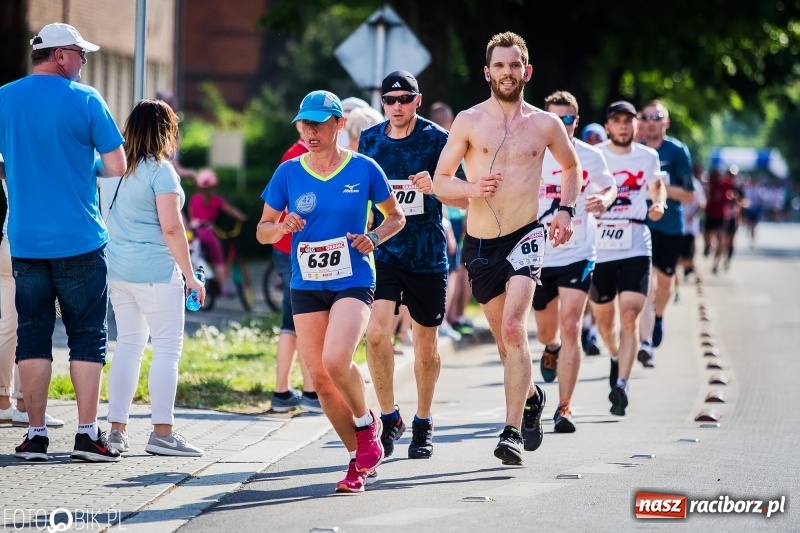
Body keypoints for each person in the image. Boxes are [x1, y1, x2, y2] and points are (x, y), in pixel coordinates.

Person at [433, 32, 581, 465]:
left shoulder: (545, 124)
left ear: (526, 71)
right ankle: (532, 394)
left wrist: (565, 210)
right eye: (500, 66)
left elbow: (571, 167)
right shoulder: (468, 121)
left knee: (516, 330)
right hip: (480, 244)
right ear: (487, 72)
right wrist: (473, 187)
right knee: (504, 343)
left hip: (526, 236)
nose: (507, 72)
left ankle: (511, 431)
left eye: (515, 65)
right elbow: (441, 182)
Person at [257, 90, 405, 492]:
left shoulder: (364, 169)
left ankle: (366, 425)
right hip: (306, 283)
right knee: (320, 379)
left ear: (340, 124)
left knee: (336, 360)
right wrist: (281, 227)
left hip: (353, 279)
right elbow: (262, 230)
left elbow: (396, 217)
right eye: (304, 124)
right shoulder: (289, 172)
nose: (310, 131)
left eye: (319, 123)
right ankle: (359, 458)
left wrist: (373, 237)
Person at [0, 22, 127, 461]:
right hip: (79, 239)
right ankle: (87, 436)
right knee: (87, 336)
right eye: (80, 53)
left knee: (32, 336)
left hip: (26, 241)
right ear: (59, 56)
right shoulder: (86, 99)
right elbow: (117, 165)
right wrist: (82, 163)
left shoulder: (4, 98)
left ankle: (35, 435)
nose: (85, 61)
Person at [360, 71, 469, 460]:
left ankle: (423, 421)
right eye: (390, 100)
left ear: (417, 101)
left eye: (404, 99)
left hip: (427, 256)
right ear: (382, 103)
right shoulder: (369, 140)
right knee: (375, 334)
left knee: (425, 347)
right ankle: (390, 417)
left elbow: (464, 199)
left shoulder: (438, 140)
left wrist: (436, 187)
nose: (397, 106)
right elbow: (360, 198)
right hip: (385, 252)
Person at [101, 99, 206, 457]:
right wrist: (191, 277)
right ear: (167, 131)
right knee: (166, 350)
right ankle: (162, 433)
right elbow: (173, 229)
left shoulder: (113, 169)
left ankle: (117, 431)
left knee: (127, 346)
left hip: (118, 272)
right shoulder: (162, 172)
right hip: (157, 272)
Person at [535, 91, 617, 433]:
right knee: (545, 331)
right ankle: (550, 348)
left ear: (576, 121)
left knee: (571, 326)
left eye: (567, 119)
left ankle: (564, 407)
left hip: (578, 251)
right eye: (555, 119)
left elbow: (610, 186)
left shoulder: (590, 155)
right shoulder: (533, 153)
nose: (562, 125)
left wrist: (604, 198)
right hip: (538, 254)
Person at [591, 101, 666, 417]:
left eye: (628, 121)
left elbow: (657, 187)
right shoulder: (595, 156)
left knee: (631, 314)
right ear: (608, 127)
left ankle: (622, 383)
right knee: (605, 322)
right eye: (616, 121)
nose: (623, 126)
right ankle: (613, 354)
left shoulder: (647, 157)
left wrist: (658, 205)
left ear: (636, 126)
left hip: (636, 244)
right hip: (599, 248)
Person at [0, 159, 66, 429]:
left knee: (7, 327)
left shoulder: (8, 161)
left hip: (4, 244)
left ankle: (3, 403)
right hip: (27, 248)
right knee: (32, 326)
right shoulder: (31, 159)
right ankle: (25, 406)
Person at [635, 101, 694, 367]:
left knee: (666, 284)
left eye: (656, 117)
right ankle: (645, 340)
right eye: (646, 117)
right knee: (646, 283)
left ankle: (659, 317)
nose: (651, 122)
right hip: (641, 226)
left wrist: (659, 188)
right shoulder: (634, 150)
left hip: (670, 226)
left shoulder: (678, 151)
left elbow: (689, 193)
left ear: (666, 123)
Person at [270, 123, 321, 414]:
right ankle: (309, 393)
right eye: (310, 127)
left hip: (292, 249)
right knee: (298, 321)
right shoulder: (299, 157)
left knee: (293, 320)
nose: (316, 133)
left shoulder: (300, 153)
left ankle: (286, 392)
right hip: (293, 249)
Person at [188, 168, 247, 295]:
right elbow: (231, 210)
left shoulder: (194, 199)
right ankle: (223, 287)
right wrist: (241, 217)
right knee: (218, 258)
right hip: (209, 233)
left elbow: (191, 216)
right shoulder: (216, 200)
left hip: (195, 233)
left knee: (195, 255)